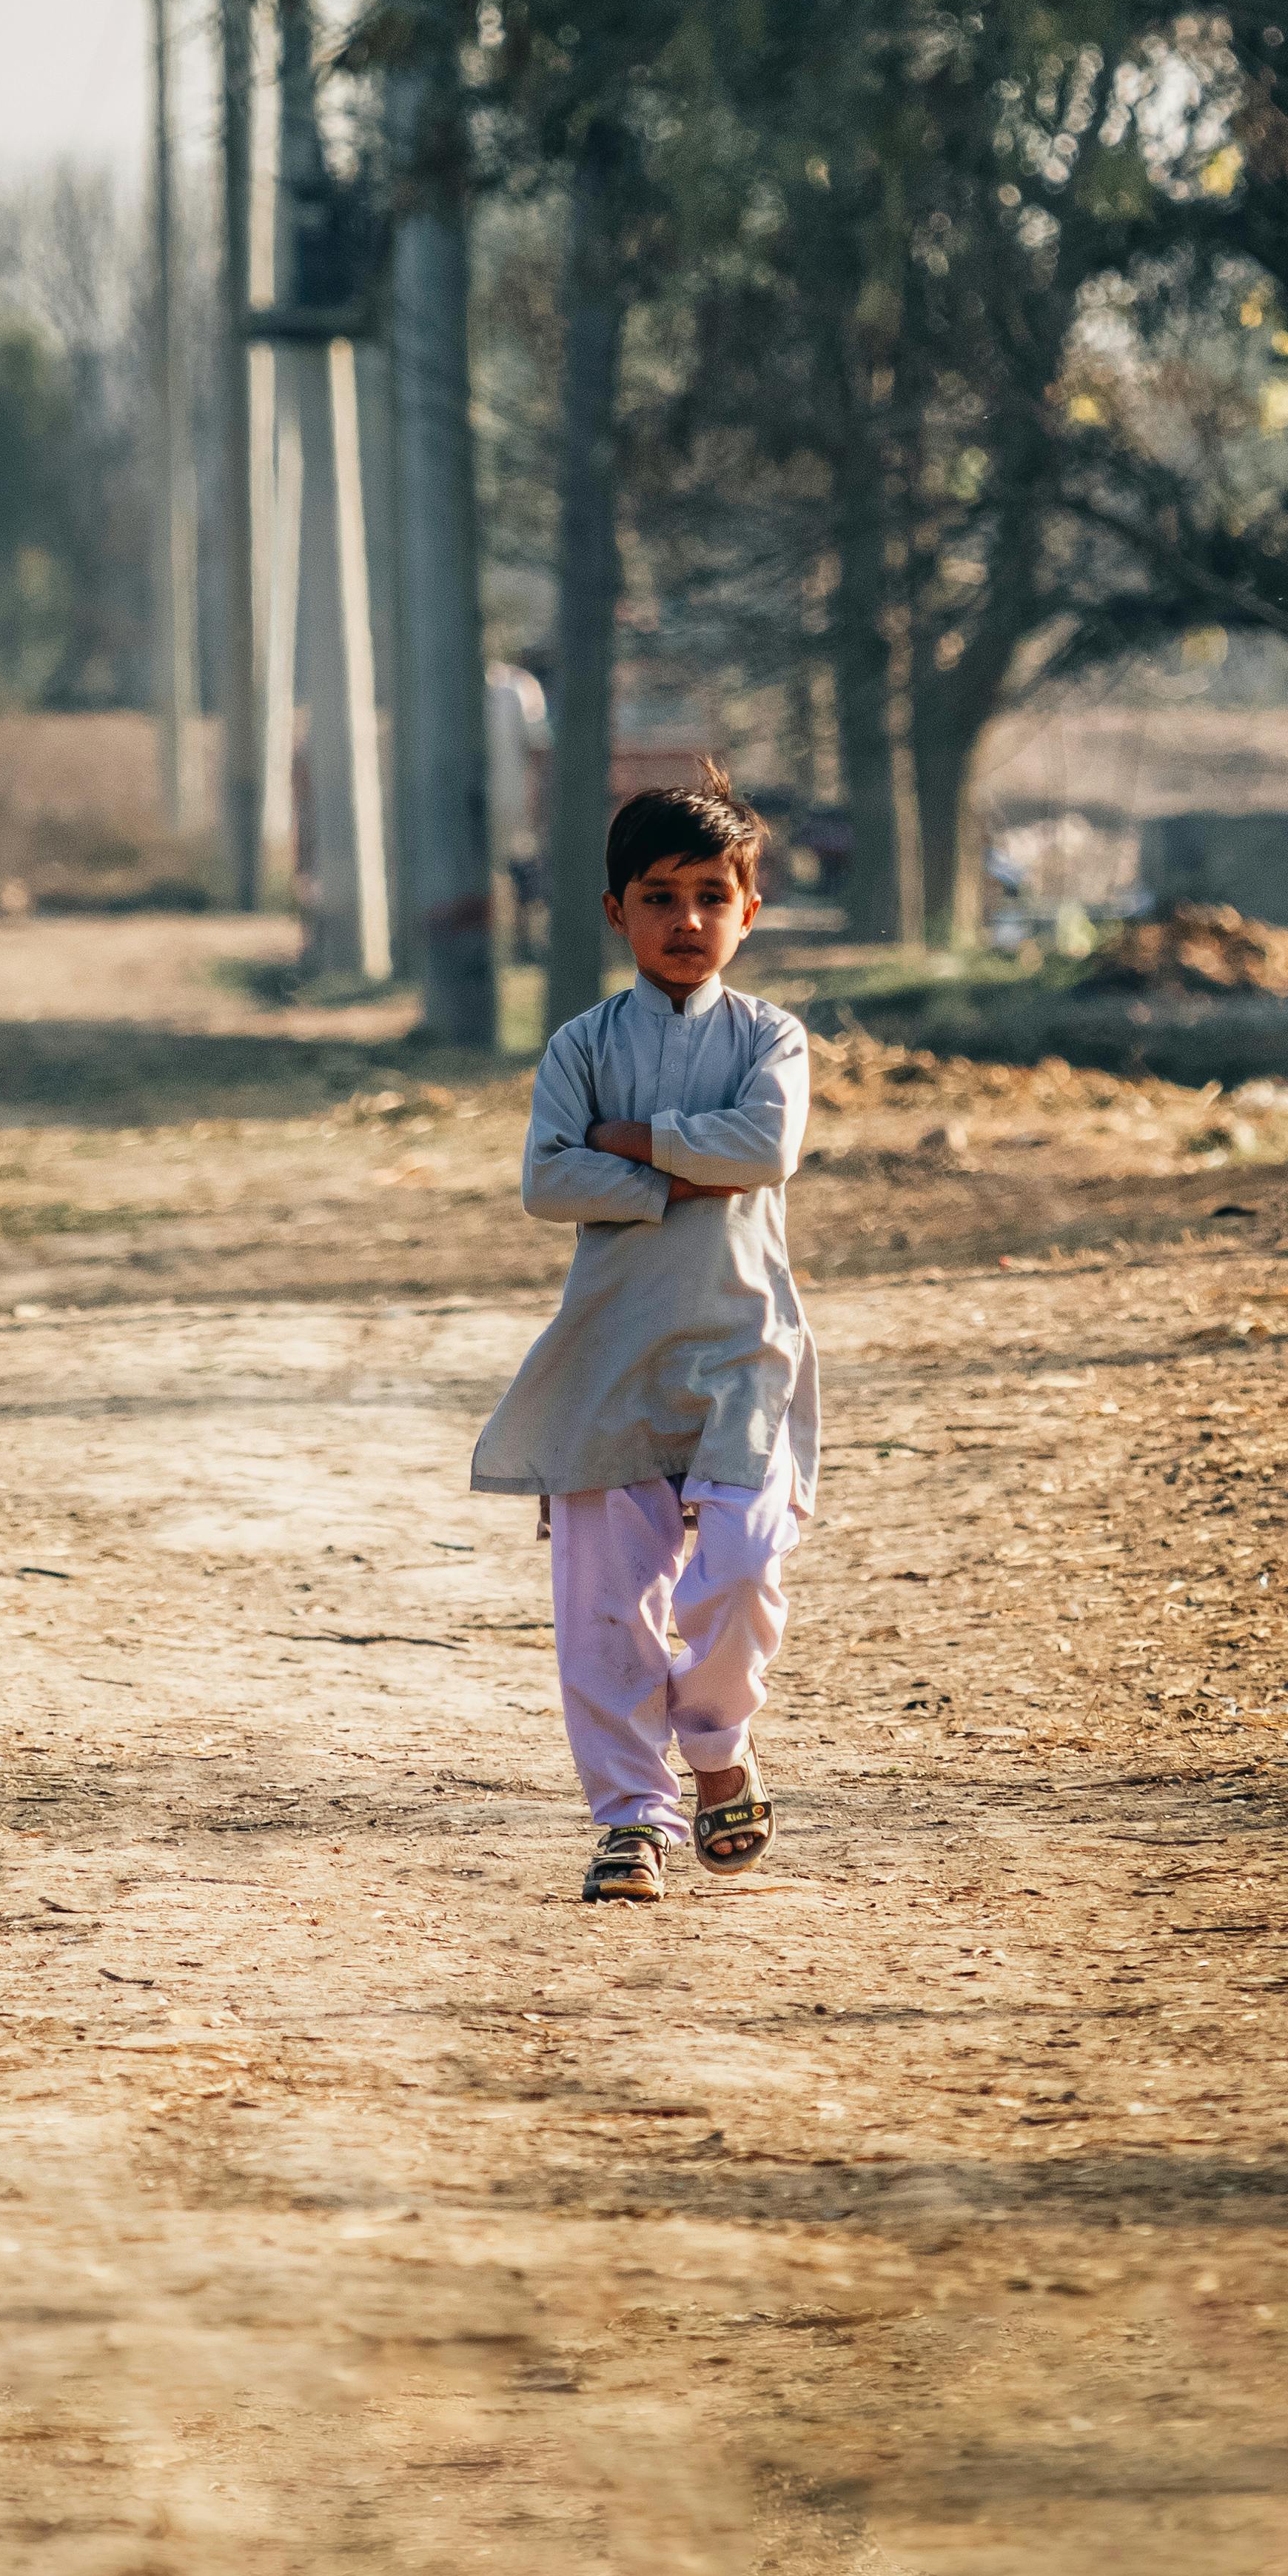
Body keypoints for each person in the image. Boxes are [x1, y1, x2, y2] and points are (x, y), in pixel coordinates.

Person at [472, 768, 817, 1901]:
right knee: (605, 1611)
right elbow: (547, 1178)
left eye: (713, 895)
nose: (687, 920)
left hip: (743, 1354)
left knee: (746, 1575)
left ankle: (716, 1748)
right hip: (609, 1360)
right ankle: (633, 1817)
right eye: (660, 895)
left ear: (749, 912)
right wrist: (680, 1165)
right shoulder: (579, 1044)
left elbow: (763, 1152)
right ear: (615, 910)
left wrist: (632, 1143)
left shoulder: (774, 1040)